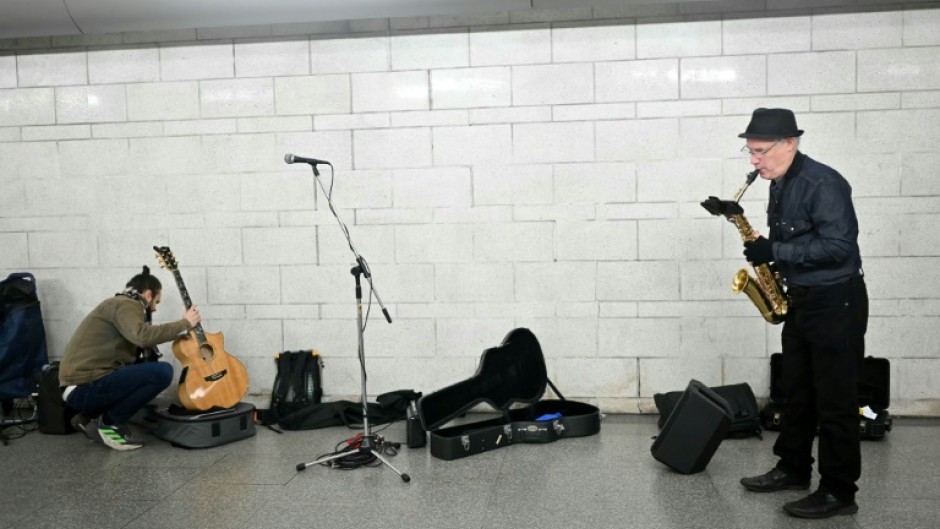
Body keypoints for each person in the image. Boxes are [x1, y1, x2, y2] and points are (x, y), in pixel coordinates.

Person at [736, 108, 868, 518]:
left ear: (789, 143)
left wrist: (774, 251)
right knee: (797, 391)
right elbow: (793, 236)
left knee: (834, 401)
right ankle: (793, 468)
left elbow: (839, 247)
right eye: (750, 151)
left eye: (760, 151)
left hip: (836, 302)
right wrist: (752, 234)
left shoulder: (823, 183)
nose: (754, 160)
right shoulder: (779, 180)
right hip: (801, 299)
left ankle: (838, 492)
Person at [59, 266, 200, 451]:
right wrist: (185, 323)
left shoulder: (118, 304)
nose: (155, 308)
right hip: (84, 387)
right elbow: (142, 336)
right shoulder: (126, 304)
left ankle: (88, 417)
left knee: (148, 367)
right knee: (163, 372)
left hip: (80, 385)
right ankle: (110, 424)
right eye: (156, 302)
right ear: (148, 295)